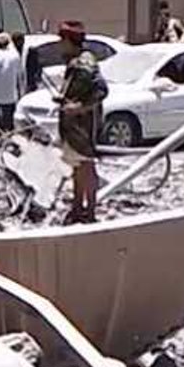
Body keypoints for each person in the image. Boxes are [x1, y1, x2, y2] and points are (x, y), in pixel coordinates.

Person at [55, 21, 109, 225]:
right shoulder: (74, 62)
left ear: (70, 41)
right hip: (72, 129)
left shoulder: (86, 62)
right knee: (76, 168)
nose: (60, 45)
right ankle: (77, 208)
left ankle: (90, 211)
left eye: (62, 40)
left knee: (86, 167)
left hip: (82, 129)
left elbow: (101, 90)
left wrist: (79, 107)